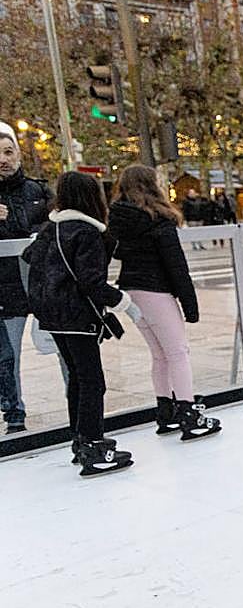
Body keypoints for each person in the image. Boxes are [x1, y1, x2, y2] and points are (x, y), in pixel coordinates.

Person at [21, 172, 140, 476]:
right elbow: (92, 282)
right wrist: (124, 303)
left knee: (76, 376)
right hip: (76, 316)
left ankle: (80, 441)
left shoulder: (51, 229)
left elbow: (28, 254)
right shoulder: (86, 232)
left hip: (51, 316)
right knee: (92, 381)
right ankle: (93, 445)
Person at [108, 164, 221, 441]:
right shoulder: (158, 219)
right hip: (156, 291)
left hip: (132, 292)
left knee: (160, 354)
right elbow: (176, 266)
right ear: (151, 185)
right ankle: (189, 414)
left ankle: (166, 412)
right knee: (178, 353)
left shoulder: (119, 218)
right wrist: (190, 305)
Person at [0, 126, 51, 434]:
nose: (3, 160)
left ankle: (79, 409)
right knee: (8, 358)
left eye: (8, 152)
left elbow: (53, 225)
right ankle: (14, 414)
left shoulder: (38, 190)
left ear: (19, 155)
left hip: (44, 285)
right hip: (5, 291)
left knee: (62, 348)